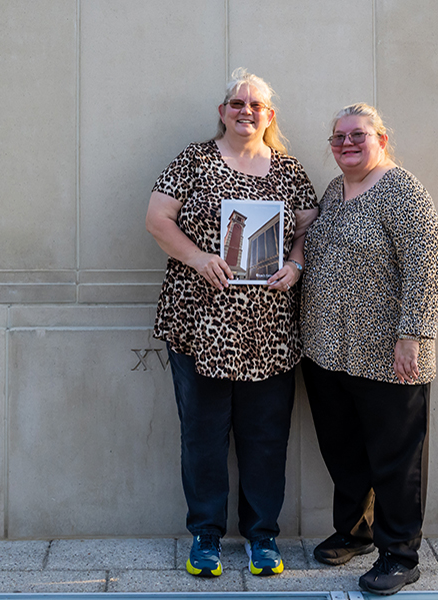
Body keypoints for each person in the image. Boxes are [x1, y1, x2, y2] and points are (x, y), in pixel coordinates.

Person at [145, 68, 318, 577]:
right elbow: (158, 219)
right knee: (203, 434)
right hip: (200, 324)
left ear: (269, 116)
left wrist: (297, 264)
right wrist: (199, 259)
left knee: (266, 437)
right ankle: (205, 535)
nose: (247, 112)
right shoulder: (194, 160)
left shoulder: (288, 170)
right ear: (222, 112)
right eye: (237, 103)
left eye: (256, 105)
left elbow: (310, 227)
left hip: (270, 328)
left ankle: (262, 538)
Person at [300, 103, 438, 595]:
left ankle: (400, 553)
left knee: (395, 457)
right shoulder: (335, 190)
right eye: (338, 137)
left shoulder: (401, 190)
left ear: (381, 138)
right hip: (328, 351)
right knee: (343, 450)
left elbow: (427, 262)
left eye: (357, 135)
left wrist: (413, 334)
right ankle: (356, 532)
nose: (346, 144)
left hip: (388, 353)